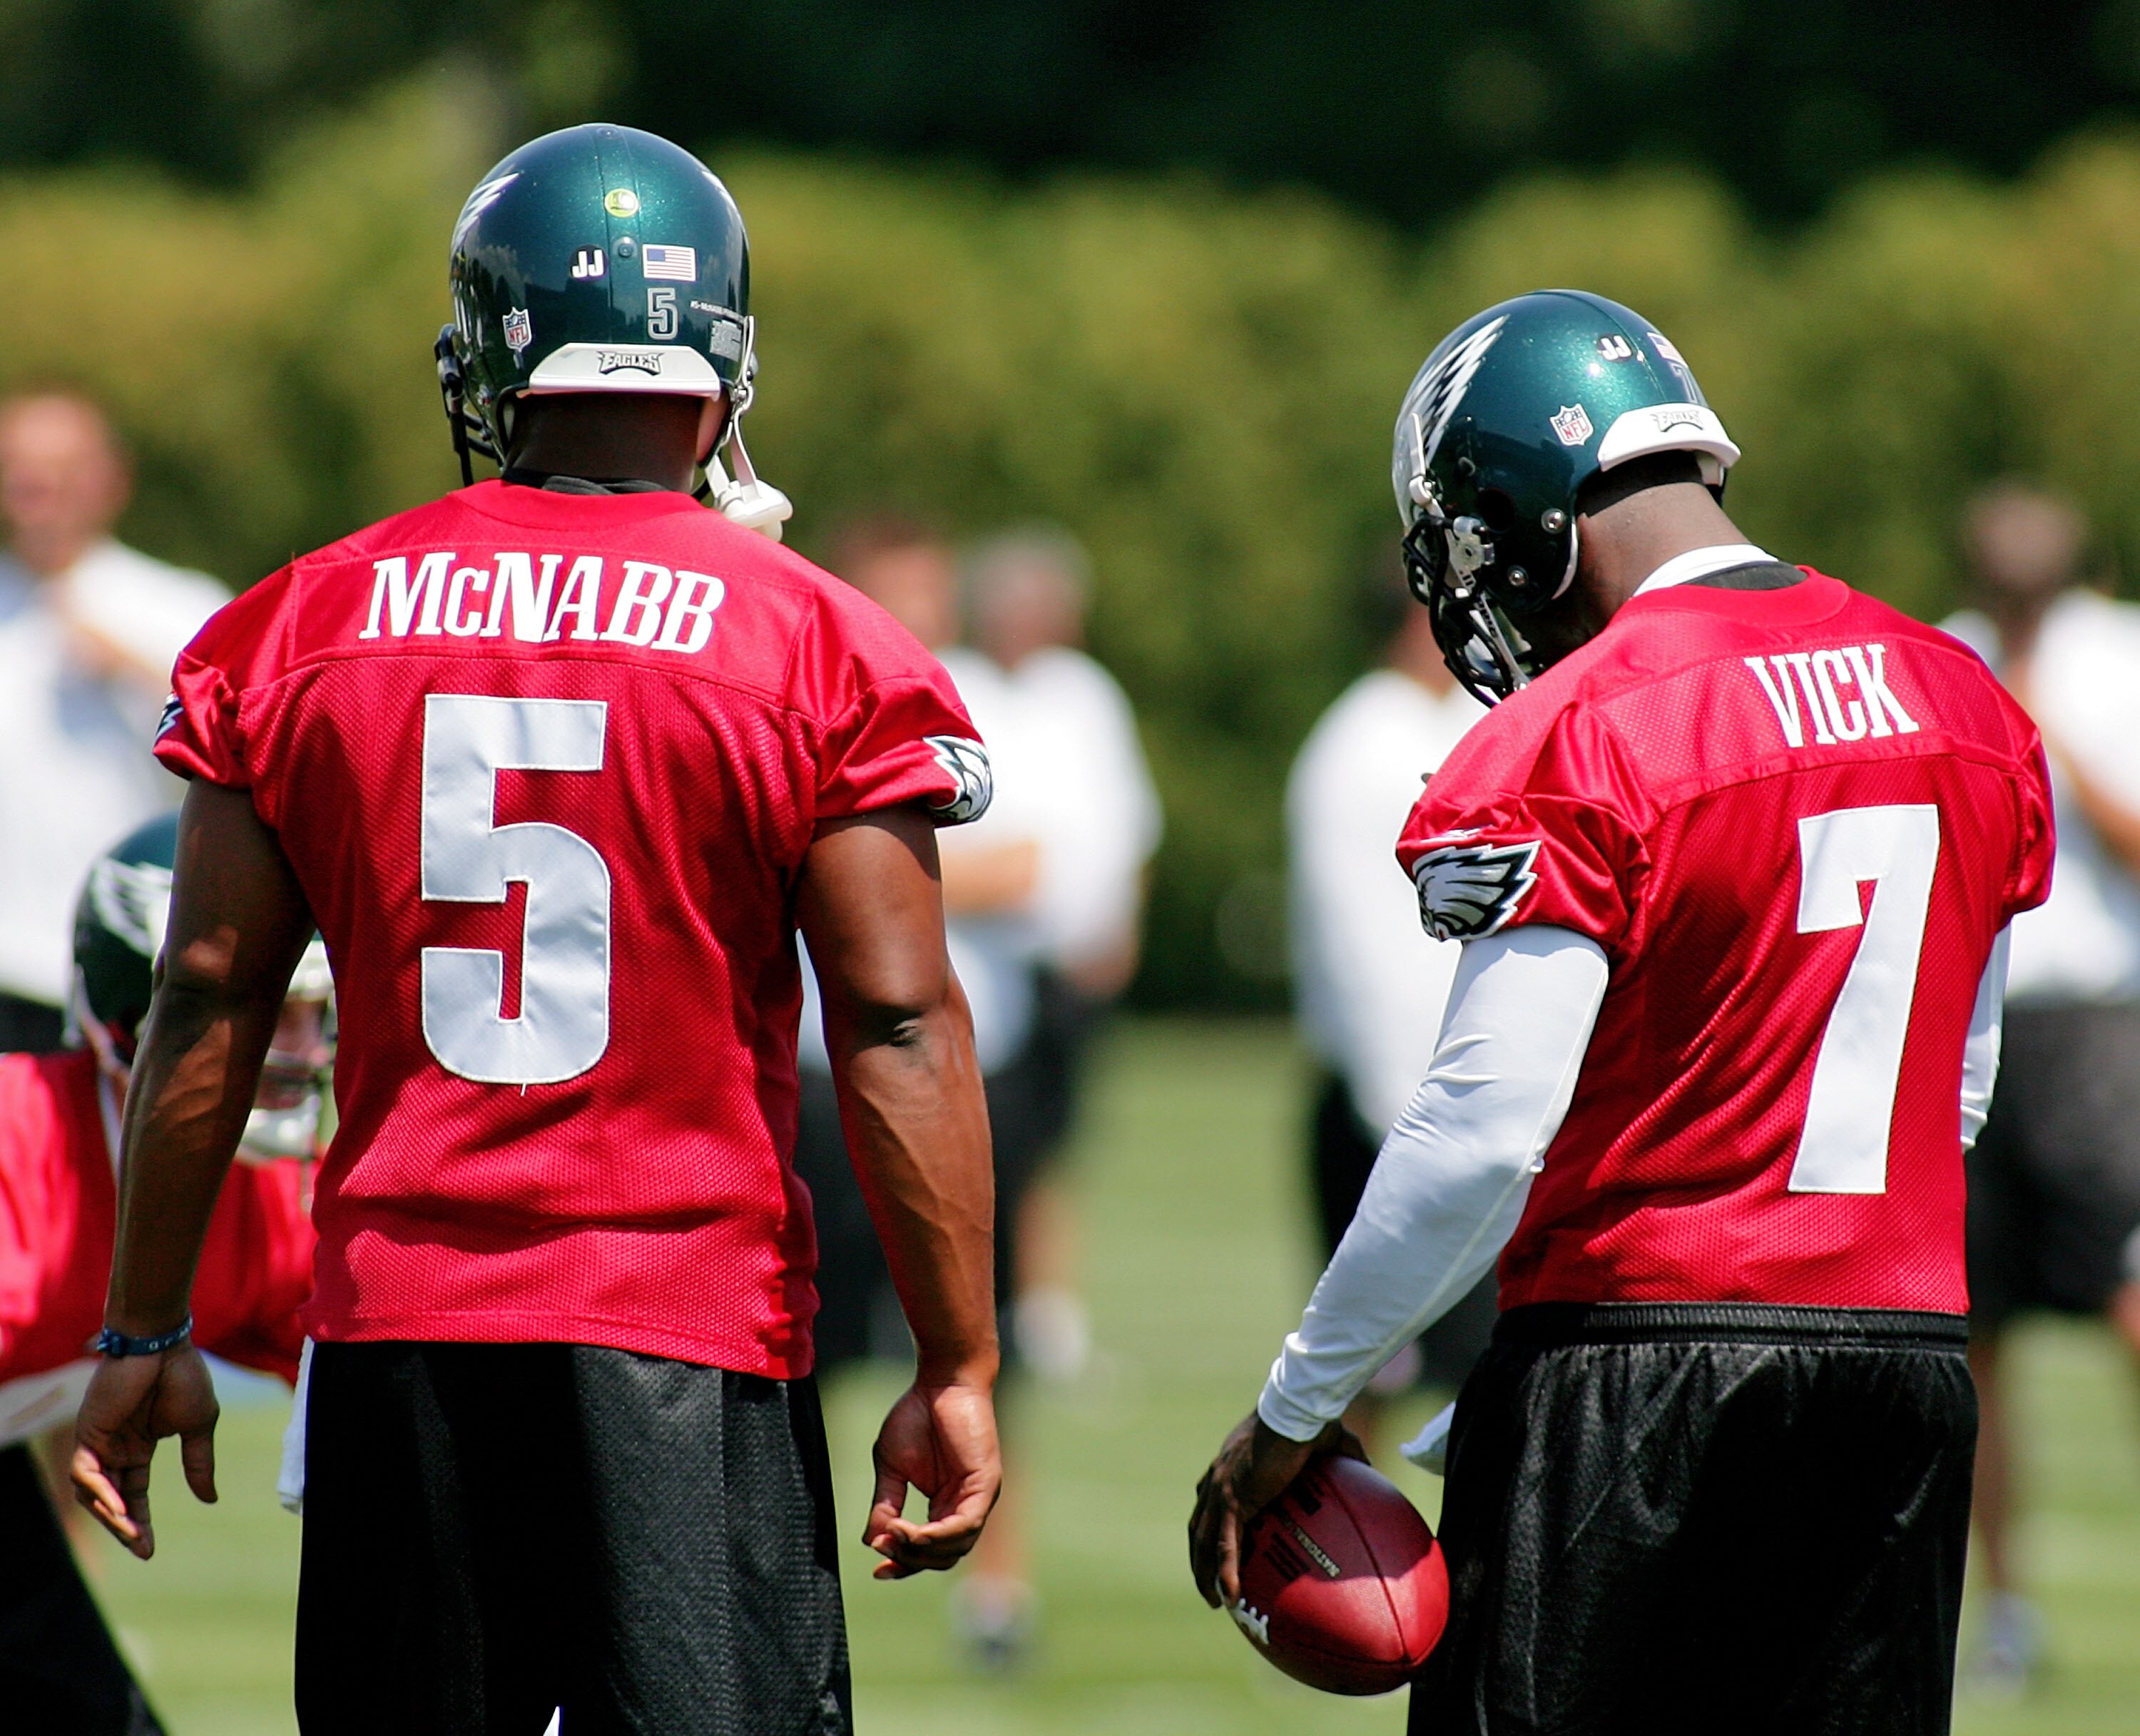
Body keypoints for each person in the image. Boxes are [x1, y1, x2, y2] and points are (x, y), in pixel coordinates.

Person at [71, 123, 1002, 1736]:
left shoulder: (301, 621)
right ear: (722, 362)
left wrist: (146, 1320)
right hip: (685, 1319)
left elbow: (209, 987)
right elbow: (896, 1015)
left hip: (405, 1334)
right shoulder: (813, 640)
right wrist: (958, 1359)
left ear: (491, 357)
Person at [1189, 288, 2054, 1735]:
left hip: (1637, 1365)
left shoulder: (1586, 725)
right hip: (1903, 1374)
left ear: (1529, 515)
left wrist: (1293, 1408)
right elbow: (1950, 1095)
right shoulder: (1962, 697)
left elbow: (1482, 1128)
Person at [1, 815, 322, 1736]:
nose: (300, 1050)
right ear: (126, 1009)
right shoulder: (21, 1167)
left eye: (316, 1013)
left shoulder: (271, 1207)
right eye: (265, 1006)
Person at [1940, 482, 2140, 1695]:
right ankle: (2003, 1609)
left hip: (2099, 1031)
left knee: (2131, 1302)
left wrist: (2041, 728)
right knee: (1969, 1335)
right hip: (1975, 1025)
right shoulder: (1943, 655)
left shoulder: (2118, 660)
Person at [1287, 558, 1489, 1451]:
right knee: (1367, 1367)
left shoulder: (1467, 719)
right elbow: (1358, 948)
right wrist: (1404, 1120)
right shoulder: (1356, 748)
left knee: (1474, 1367)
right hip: (1398, 1108)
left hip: (1462, 1101)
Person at [964, 526, 1161, 1387]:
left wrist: (1121, 925)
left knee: (1056, 1143)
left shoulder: (1086, 695)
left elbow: (1129, 825)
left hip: (1073, 967)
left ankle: (1049, 1308)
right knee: (994, 1147)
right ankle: (1002, 1303)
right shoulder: (959, 682)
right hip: (989, 968)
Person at [0, 393, 228, 1052]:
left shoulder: (179, 607)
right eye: (20, 471)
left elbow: (247, 752)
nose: (36, 493)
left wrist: (136, 670)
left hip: (131, 961)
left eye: (58, 472)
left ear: (108, 480)